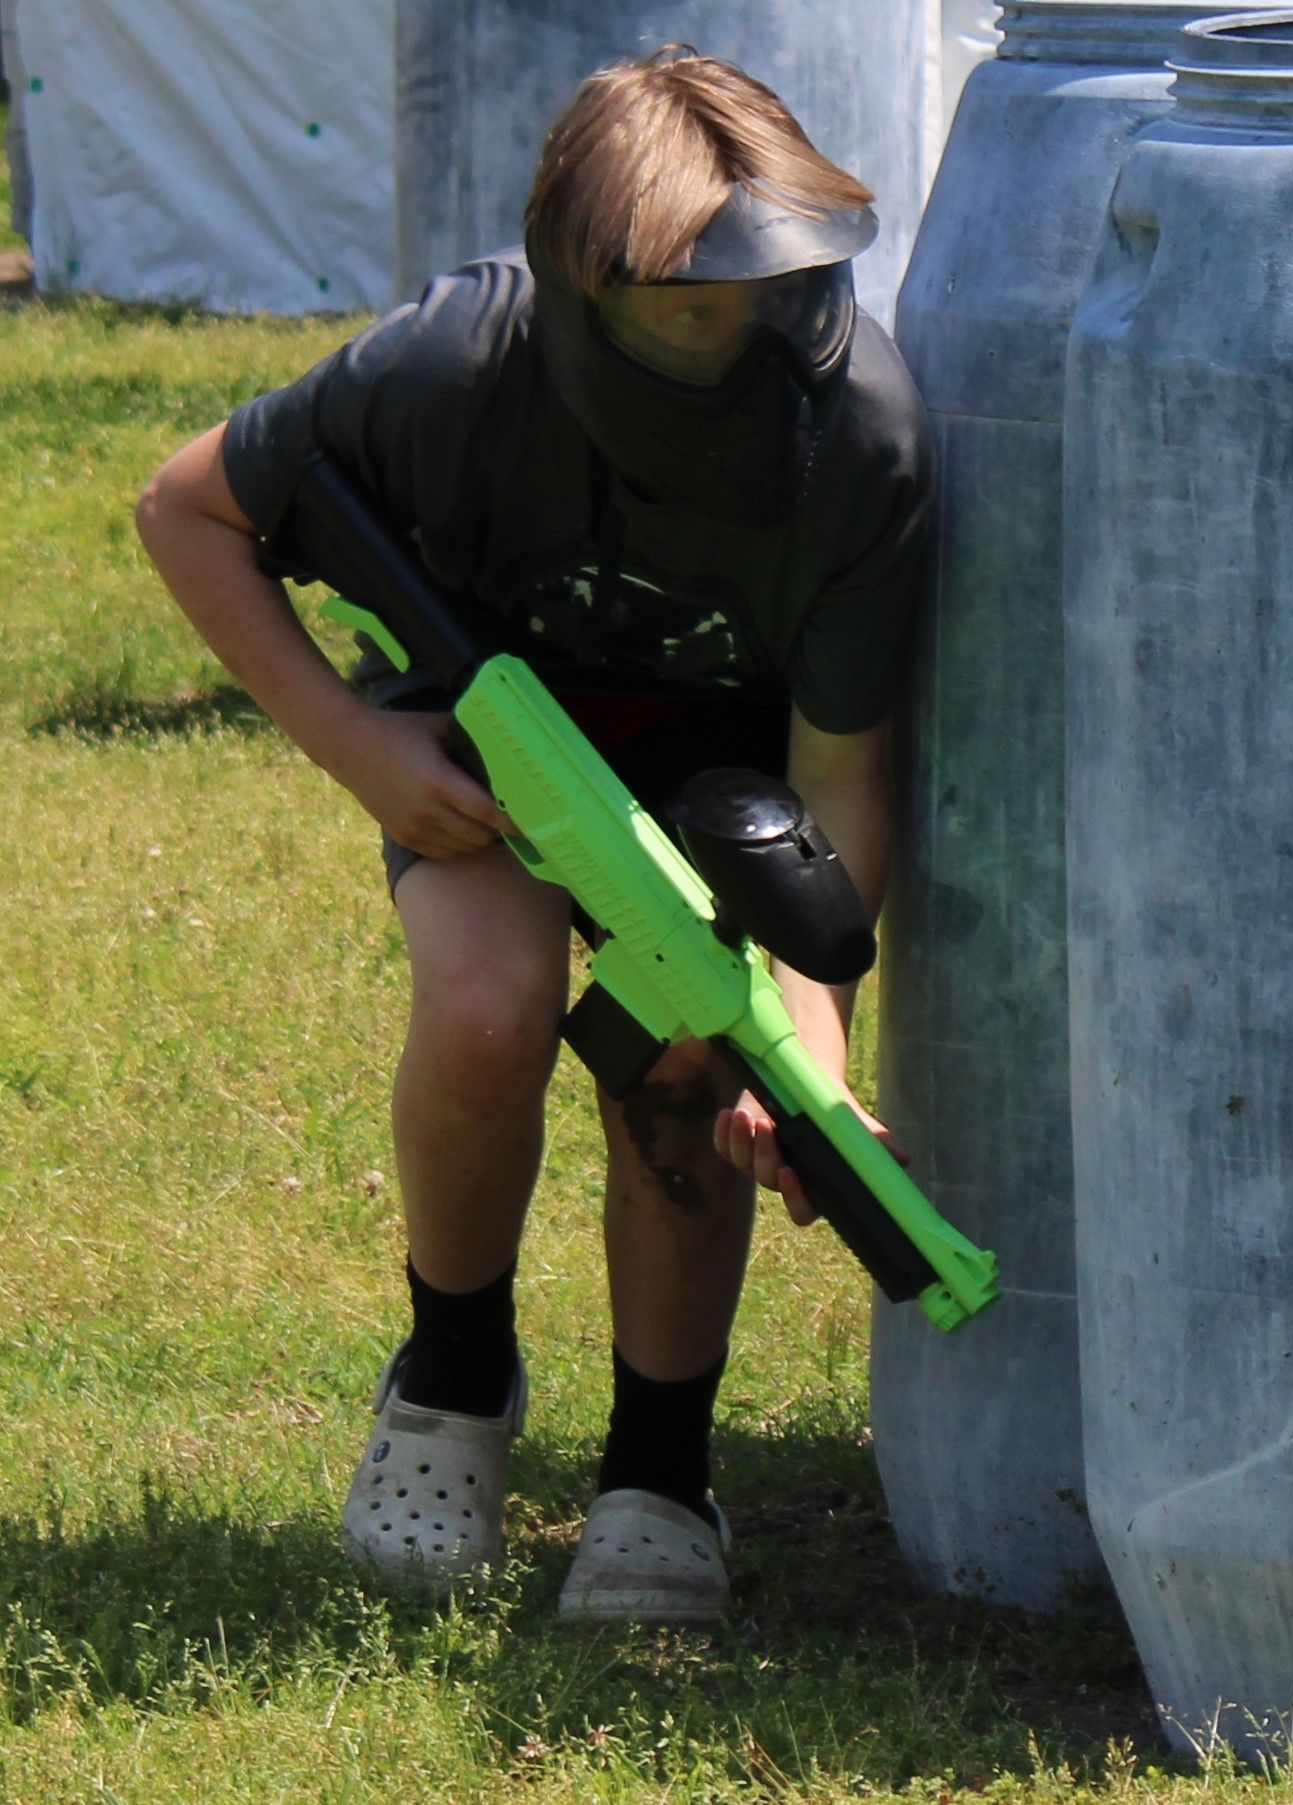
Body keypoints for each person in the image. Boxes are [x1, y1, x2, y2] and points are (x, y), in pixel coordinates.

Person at [135, 47, 930, 1623]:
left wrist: (809, 1045)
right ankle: (451, 1375)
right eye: (695, 309)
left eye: (777, 291)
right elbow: (188, 507)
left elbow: (838, 775)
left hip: (727, 793)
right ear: (586, 292)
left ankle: (657, 1473)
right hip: (489, 747)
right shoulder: (452, 364)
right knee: (486, 1002)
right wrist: (358, 744)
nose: (754, 332)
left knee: (689, 1068)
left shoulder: (867, 443)